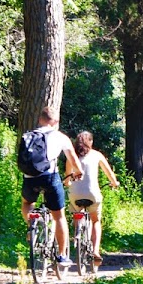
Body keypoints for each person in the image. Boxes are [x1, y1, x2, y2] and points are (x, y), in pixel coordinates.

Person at [19, 107, 82, 265]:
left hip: (30, 178)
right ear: (56, 122)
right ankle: (62, 255)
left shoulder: (28, 136)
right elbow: (73, 160)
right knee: (59, 216)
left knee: (27, 203)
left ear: (40, 119)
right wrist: (79, 172)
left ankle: (32, 224)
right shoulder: (61, 137)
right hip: (50, 178)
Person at [67, 131, 120, 266]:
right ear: (90, 142)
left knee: (76, 213)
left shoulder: (71, 157)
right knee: (95, 220)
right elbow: (110, 174)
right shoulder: (97, 155)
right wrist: (114, 183)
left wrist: (68, 183)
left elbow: (67, 179)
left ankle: (78, 234)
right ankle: (95, 251)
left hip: (75, 195)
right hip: (93, 194)